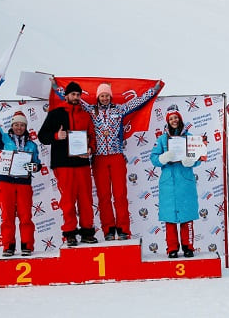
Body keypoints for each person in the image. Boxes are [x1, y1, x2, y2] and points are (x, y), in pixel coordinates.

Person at [81, 81, 161, 241]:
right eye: (102, 95)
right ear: (98, 97)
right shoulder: (91, 110)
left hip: (117, 156)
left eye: (107, 95)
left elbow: (137, 102)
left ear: (110, 96)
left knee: (120, 195)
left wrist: (154, 90)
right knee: (104, 196)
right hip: (98, 158)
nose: (104, 98)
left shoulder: (119, 109)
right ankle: (108, 230)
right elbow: (74, 99)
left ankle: (123, 229)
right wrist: (56, 88)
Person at [38, 81, 97, 247]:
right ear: (66, 96)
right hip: (63, 164)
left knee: (86, 199)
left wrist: (91, 149)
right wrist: (57, 135)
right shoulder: (55, 114)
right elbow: (42, 136)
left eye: (78, 95)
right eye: (73, 94)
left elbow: (92, 136)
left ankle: (87, 231)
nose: (76, 97)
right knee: (68, 200)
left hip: (82, 163)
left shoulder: (85, 115)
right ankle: (70, 233)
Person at [0, 98, 42, 257]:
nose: (19, 127)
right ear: (12, 126)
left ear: (26, 127)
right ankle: (8, 246)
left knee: (26, 216)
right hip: (6, 182)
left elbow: (37, 165)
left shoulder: (32, 145)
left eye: (22, 125)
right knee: (7, 216)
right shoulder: (4, 140)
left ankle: (27, 246)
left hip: (24, 183)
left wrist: (30, 167)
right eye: (16, 124)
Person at [150, 104, 200, 259]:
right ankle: (172, 248)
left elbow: (199, 157)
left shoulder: (190, 137)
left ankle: (188, 247)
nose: (174, 121)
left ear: (180, 119)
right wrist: (162, 158)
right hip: (168, 184)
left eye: (176, 118)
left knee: (187, 217)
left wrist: (192, 161)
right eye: (171, 118)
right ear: (167, 121)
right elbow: (153, 158)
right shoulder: (162, 139)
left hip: (185, 183)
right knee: (169, 218)